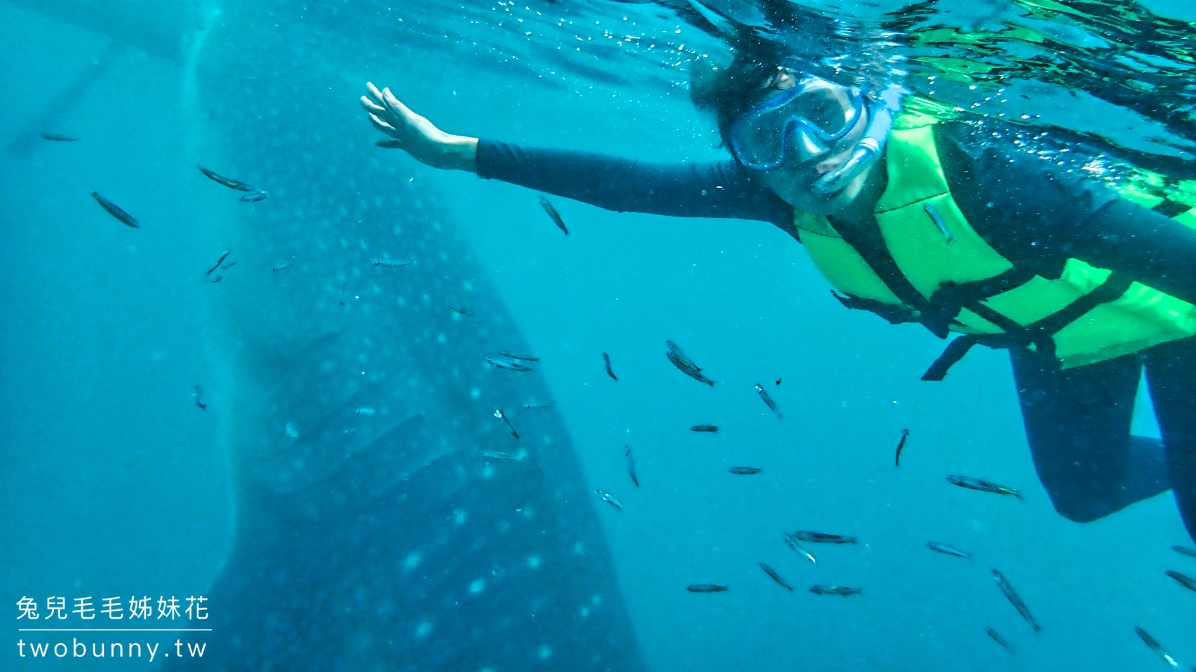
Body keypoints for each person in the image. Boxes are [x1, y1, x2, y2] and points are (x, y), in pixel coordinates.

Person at [360, 53, 1196, 542]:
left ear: (869, 101)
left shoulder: (998, 182)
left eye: (823, 114)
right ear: (744, 157)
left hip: (1177, 319)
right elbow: (625, 185)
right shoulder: (780, 197)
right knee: (1083, 496)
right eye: (767, 138)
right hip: (1062, 337)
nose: (806, 153)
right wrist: (458, 151)